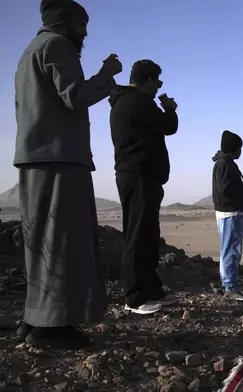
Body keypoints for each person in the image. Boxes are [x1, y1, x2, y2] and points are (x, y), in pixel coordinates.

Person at [13, 0, 122, 348]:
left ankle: (36, 319)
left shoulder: (31, 50)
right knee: (62, 241)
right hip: (59, 159)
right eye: (81, 25)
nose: (85, 32)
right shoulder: (56, 45)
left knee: (42, 242)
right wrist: (106, 75)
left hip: (39, 156)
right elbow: (74, 97)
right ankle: (52, 328)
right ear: (64, 22)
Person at [108, 60, 179, 314]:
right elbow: (168, 126)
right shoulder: (138, 101)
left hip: (141, 176)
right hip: (138, 176)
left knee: (147, 235)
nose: (159, 86)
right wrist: (170, 109)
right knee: (138, 235)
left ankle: (151, 290)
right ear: (149, 81)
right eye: (158, 82)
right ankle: (135, 298)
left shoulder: (126, 102)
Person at [211, 130, 243, 302]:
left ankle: (230, 285)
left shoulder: (224, 163)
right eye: (239, 148)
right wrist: (242, 187)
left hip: (231, 213)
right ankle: (230, 288)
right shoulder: (224, 164)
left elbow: (228, 187)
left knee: (231, 250)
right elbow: (225, 190)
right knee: (230, 251)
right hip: (230, 213)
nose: (241, 152)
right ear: (233, 149)